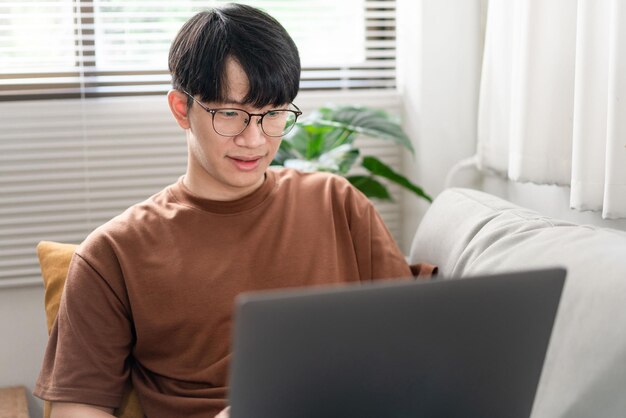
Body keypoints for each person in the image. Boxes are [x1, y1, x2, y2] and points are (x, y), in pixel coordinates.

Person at [34, 3, 435, 418]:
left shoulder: (336, 202)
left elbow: (411, 344)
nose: (254, 140)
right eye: (230, 113)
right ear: (180, 109)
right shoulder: (113, 253)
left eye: (273, 114)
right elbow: (77, 409)